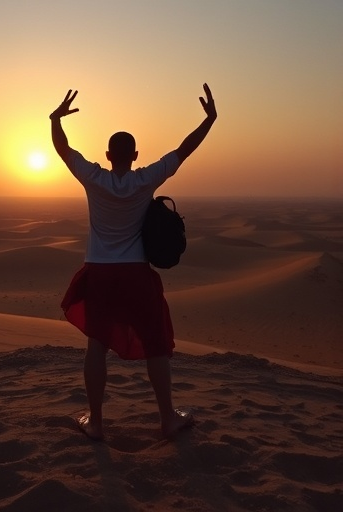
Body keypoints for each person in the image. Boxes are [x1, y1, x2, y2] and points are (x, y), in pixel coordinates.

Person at [49, 85, 217, 440]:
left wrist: (55, 120)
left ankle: (95, 422)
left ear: (108, 155)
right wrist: (209, 120)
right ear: (136, 154)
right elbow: (182, 151)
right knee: (156, 344)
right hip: (137, 274)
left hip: (99, 272)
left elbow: (63, 150)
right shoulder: (146, 178)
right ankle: (168, 418)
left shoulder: (94, 178)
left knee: (96, 345)